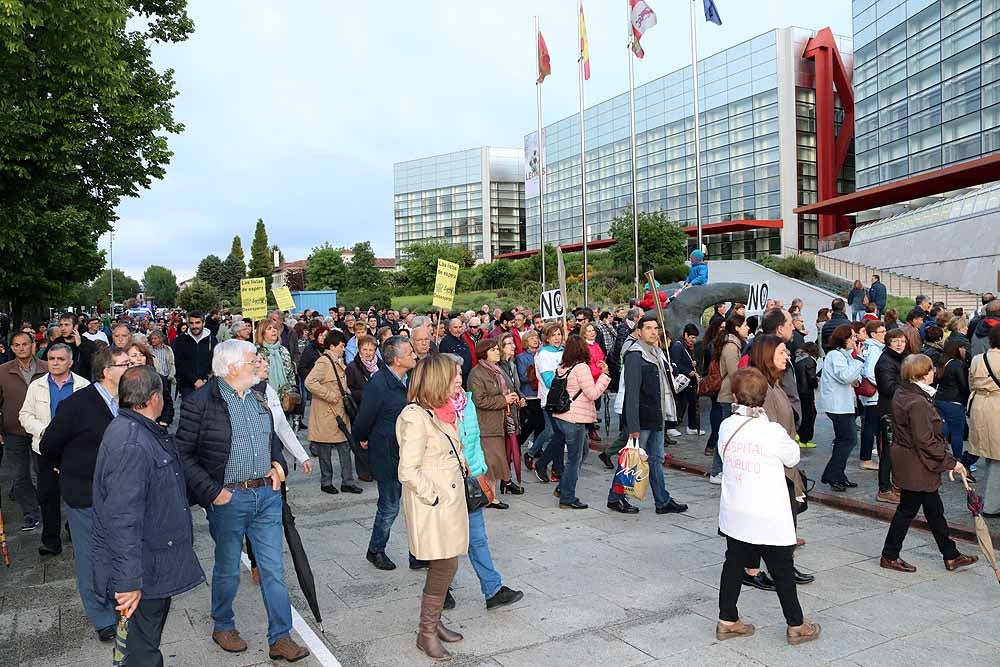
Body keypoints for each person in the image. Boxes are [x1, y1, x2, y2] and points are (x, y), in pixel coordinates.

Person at [175, 339, 307, 661]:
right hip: (229, 499)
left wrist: (277, 464)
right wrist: (213, 493)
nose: (258, 363)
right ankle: (223, 625)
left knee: (273, 569)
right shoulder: (201, 402)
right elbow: (183, 454)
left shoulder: (259, 395)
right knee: (228, 568)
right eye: (252, 359)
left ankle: (280, 637)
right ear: (232, 366)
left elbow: (270, 434)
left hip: (267, 495)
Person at [91, 366, 206, 666]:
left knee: (141, 646)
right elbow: (122, 518)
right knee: (141, 652)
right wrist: (128, 582)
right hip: (142, 571)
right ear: (155, 397)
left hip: (150, 565)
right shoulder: (132, 441)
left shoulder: (138, 431)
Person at [715, 368, 821, 647]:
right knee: (782, 568)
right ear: (764, 397)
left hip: (737, 510)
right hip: (767, 514)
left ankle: (727, 619)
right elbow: (793, 456)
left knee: (733, 563)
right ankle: (796, 625)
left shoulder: (727, 425)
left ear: (736, 396)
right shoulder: (771, 431)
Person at [38, 347, 128, 640]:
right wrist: (62, 467)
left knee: (122, 551)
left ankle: (123, 603)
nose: (131, 367)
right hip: (85, 494)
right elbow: (50, 443)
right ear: (107, 371)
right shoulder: (77, 404)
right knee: (92, 557)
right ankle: (102, 617)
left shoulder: (128, 400)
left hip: (123, 494)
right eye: (124, 364)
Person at [396, 354, 470, 660]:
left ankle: (434, 624)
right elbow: (407, 470)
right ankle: (426, 632)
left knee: (447, 562)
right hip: (434, 504)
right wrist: (435, 496)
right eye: (454, 375)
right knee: (444, 564)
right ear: (438, 379)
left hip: (449, 500)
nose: (459, 380)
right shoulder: (415, 416)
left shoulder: (440, 412)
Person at [879, 355, 979, 573]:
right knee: (908, 510)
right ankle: (889, 555)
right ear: (922, 374)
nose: (934, 372)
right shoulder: (917, 402)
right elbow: (924, 440)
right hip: (917, 464)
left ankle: (950, 555)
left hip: (913, 462)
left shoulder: (906, 392)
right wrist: (951, 462)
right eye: (931, 369)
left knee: (933, 510)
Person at [353, 336, 419, 571]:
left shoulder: (408, 380)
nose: (414, 355)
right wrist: (363, 438)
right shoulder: (379, 384)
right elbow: (362, 420)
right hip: (387, 453)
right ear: (397, 359)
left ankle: (418, 554)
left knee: (415, 506)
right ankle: (376, 550)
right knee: (390, 506)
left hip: (409, 453)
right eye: (409, 352)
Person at [19, 342, 90, 555]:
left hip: (74, 450)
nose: (55, 363)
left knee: (77, 495)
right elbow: (25, 415)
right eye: (51, 359)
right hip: (45, 449)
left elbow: (89, 417)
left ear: (70, 362)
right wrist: (44, 431)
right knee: (48, 495)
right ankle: (51, 541)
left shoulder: (83, 386)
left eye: (60, 359)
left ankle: (76, 531)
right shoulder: (36, 385)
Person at [614, 315, 688, 514]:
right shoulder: (634, 355)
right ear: (639, 331)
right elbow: (632, 393)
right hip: (642, 416)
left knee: (656, 459)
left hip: (657, 414)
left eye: (656, 328)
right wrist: (633, 425)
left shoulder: (657, 353)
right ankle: (616, 497)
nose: (654, 332)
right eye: (648, 328)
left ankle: (662, 500)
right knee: (632, 459)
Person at [551, 335, 611, 509]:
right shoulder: (581, 367)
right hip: (575, 418)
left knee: (582, 452)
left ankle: (563, 487)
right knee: (574, 458)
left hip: (562, 416)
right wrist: (605, 376)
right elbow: (592, 394)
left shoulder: (563, 366)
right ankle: (567, 497)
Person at [305, 329, 362, 495]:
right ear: (332, 346)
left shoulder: (337, 360)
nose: (343, 349)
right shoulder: (324, 362)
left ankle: (347, 481)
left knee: (345, 447)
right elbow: (310, 382)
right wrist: (329, 395)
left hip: (338, 413)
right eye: (341, 346)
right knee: (325, 451)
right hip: (326, 414)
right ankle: (326, 481)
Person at [0, 331, 47, 532]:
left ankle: (48, 507)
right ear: (12, 348)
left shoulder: (46, 368)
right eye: (16, 345)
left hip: (41, 430)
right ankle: (30, 512)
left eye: (24, 344)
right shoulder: (2, 371)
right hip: (14, 431)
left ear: (32, 346)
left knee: (43, 472)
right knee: (20, 475)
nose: (21, 348)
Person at [469, 337, 520, 503]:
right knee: (490, 462)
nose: (497, 352)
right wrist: (503, 400)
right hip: (486, 424)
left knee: (495, 461)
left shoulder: (495, 370)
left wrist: (511, 398)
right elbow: (479, 400)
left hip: (500, 421)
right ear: (484, 354)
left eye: (497, 349)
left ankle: (491, 496)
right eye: (493, 350)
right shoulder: (477, 373)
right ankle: (489, 497)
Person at [710, 315, 750, 484]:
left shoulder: (732, 343)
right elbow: (736, 373)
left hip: (729, 394)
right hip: (729, 395)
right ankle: (716, 470)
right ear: (737, 328)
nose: (748, 327)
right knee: (727, 436)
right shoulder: (732, 347)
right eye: (745, 324)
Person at [528, 323, 567, 482]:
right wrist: (568, 378)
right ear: (547, 338)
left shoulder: (564, 351)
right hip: (550, 399)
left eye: (559, 334)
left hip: (564, 399)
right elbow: (549, 380)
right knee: (557, 433)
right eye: (553, 335)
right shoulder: (543, 354)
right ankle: (543, 462)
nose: (557, 338)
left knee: (560, 434)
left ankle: (557, 469)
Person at [968, 325, 1000, 516]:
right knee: (997, 458)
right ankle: (991, 505)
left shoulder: (977, 359)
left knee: (990, 455)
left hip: (980, 406)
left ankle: (991, 500)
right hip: (997, 406)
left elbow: (971, 383)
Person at [858, 320, 887, 471]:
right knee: (870, 426)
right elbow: (869, 372)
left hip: (871, 395)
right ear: (873, 334)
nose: (885, 334)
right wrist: (882, 384)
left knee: (871, 426)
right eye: (881, 332)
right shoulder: (875, 350)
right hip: (874, 395)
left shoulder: (870, 347)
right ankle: (866, 458)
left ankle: (868, 456)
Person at [172, 310, 217, 398]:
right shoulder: (180, 340)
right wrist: (195, 381)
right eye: (191, 323)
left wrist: (204, 380)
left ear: (203, 323)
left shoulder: (212, 340)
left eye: (197, 323)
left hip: (207, 384)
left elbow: (215, 361)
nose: (194, 326)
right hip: (187, 386)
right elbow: (179, 363)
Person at [256, 319, 296, 413]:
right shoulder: (256, 352)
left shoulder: (283, 350)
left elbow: (290, 374)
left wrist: (292, 391)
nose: (274, 331)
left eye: (275, 328)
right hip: (264, 398)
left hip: (284, 398)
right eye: (269, 328)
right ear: (262, 333)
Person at [515, 329, 544, 454]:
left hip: (540, 393)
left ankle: (537, 448)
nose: (535, 340)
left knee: (540, 423)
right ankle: (517, 444)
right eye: (531, 338)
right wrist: (537, 376)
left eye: (536, 337)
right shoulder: (521, 357)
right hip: (529, 394)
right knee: (532, 423)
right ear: (526, 341)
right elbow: (522, 376)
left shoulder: (541, 354)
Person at [793, 342, 820, 447]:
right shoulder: (810, 361)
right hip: (807, 392)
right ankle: (804, 438)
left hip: (798, 391)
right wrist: (815, 384)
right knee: (810, 414)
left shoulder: (798, 360)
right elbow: (811, 377)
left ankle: (799, 435)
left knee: (803, 414)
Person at [346, 334, 384, 405]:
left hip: (382, 405)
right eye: (365, 349)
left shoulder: (381, 365)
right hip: (363, 406)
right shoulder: (352, 367)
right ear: (359, 350)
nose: (368, 353)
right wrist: (369, 394)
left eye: (371, 350)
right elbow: (350, 391)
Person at [439, 317, 473, 386]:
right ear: (449, 328)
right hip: (455, 379)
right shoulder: (446, 342)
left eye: (460, 327)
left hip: (467, 377)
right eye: (455, 327)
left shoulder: (462, 339)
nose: (458, 330)